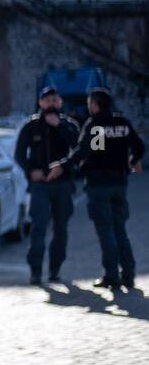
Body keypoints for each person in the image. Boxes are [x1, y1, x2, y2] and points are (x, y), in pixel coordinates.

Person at [58, 88, 144, 290]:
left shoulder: (95, 125)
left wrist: (64, 164)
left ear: (96, 104)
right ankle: (129, 275)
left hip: (98, 185)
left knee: (106, 232)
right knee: (120, 230)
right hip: (119, 184)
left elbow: (87, 151)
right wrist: (133, 160)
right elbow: (139, 146)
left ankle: (112, 276)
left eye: (90, 103)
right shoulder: (122, 122)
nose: (88, 107)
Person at [14, 86, 82, 284]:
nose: (51, 104)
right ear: (40, 103)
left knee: (61, 228)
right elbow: (19, 154)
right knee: (39, 227)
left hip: (63, 184)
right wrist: (30, 171)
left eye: (54, 100)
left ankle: (55, 270)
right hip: (40, 185)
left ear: (60, 102)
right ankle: (36, 271)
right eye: (47, 101)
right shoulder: (31, 126)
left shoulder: (69, 125)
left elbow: (79, 148)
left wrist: (59, 125)